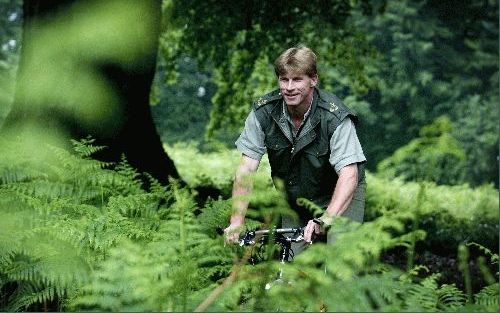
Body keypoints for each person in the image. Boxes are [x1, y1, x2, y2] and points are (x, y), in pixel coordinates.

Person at [224, 45, 366, 248]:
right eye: (284, 79)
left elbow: (349, 174)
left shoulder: (335, 117)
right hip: (296, 199)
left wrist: (327, 219)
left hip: (341, 193)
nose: (289, 87)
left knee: (342, 268)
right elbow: (246, 169)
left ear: (313, 80)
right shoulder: (263, 112)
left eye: (297, 79)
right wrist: (237, 222)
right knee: (294, 271)